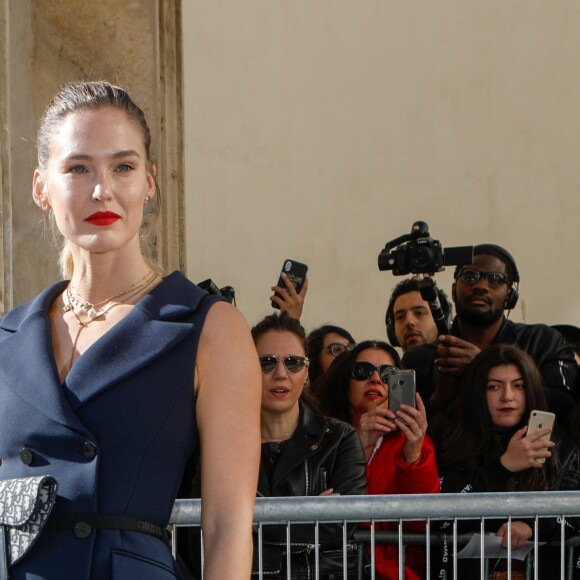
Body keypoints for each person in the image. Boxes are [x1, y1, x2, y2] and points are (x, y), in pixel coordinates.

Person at [0, 81, 261, 579]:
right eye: (78, 168)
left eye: (123, 166)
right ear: (41, 188)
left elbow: (227, 526)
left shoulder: (206, 328)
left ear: (149, 182)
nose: (103, 189)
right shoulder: (8, 338)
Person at [431, 344, 580, 578]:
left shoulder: (558, 444)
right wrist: (503, 467)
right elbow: (439, 509)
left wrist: (532, 525)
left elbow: (574, 509)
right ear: (478, 391)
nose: (507, 397)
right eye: (494, 387)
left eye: (518, 386)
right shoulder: (450, 437)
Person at [251, 312, 367, 578]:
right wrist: (308, 513)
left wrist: (257, 523)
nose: (280, 373)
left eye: (292, 362)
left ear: (306, 372)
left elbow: (339, 526)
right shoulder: (224, 444)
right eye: (266, 363)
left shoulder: (340, 439)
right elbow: (200, 532)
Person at [403, 244, 578, 414]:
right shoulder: (418, 360)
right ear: (454, 290)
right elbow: (401, 432)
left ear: (510, 296)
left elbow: (568, 407)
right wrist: (439, 399)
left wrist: (483, 369)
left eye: (495, 279)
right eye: (470, 276)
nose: (481, 286)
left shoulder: (542, 342)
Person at [316, 341, 439, 580]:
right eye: (362, 371)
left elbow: (421, 524)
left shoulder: (414, 440)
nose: (375, 379)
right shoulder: (322, 435)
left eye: (387, 374)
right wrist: (357, 446)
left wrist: (413, 454)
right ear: (346, 382)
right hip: (330, 569)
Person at [385, 277, 452, 352]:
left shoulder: (465, 361)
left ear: (444, 320)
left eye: (419, 313)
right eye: (400, 317)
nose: (409, 322)